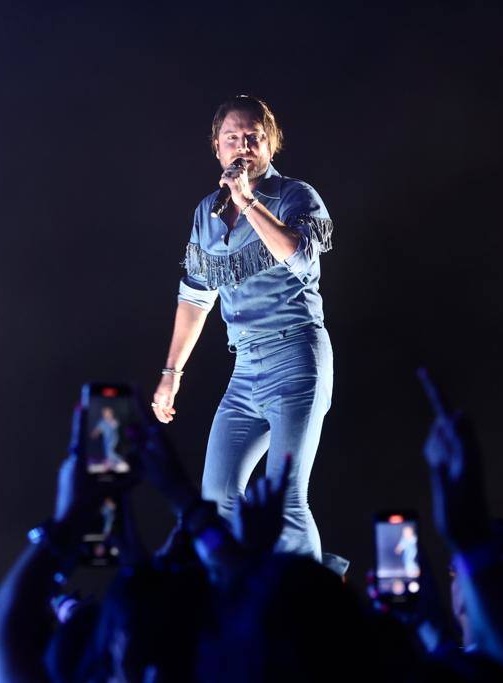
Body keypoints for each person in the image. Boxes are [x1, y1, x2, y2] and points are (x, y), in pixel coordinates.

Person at [151, 95, 334, 560]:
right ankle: (244, 591)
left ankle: (317, 597)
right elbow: (196, 296)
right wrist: (171, 374)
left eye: (253, 137)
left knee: (285, 500)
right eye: (232, 138)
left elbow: (300, 257)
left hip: (296, 357)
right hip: (246, 368)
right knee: (218, 498)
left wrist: (248, 201)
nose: (243, 147)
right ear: (217, 148)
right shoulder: (206, 214)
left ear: (271, 144)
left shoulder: (295, 196)